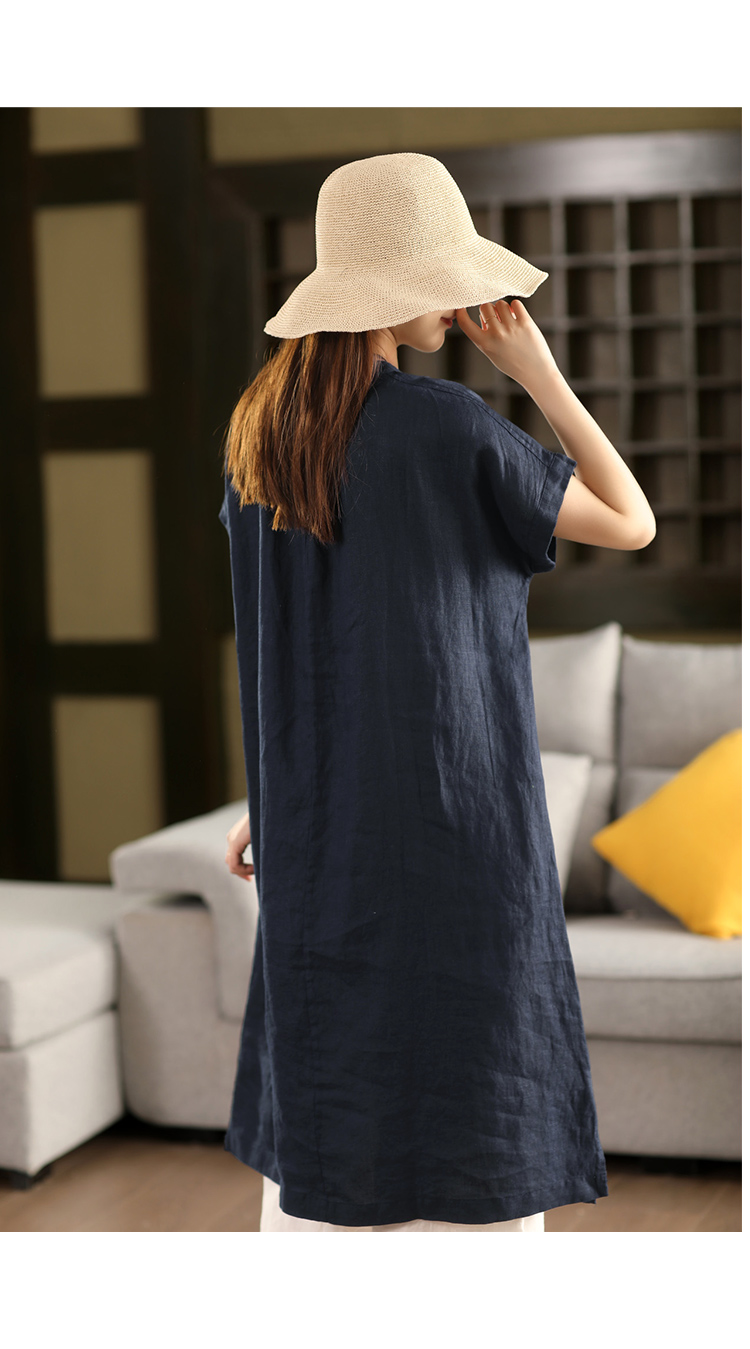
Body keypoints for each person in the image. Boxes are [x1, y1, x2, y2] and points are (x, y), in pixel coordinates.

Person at [218, 152, 655, 1233]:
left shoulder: (258, 436)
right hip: (457, 821)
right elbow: (630, 519)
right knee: (480, 1085)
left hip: (319, 824)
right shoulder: (444, 424)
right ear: (398, 291)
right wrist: (538, 372)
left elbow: (285, 636)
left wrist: (273, 792)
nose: (457, 303)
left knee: (334, 1079)